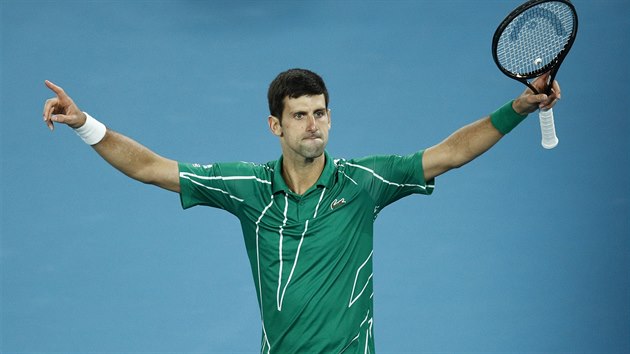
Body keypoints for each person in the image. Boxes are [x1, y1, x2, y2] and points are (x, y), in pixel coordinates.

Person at [42, 68, 560, 353]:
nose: (313, 124)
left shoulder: (364, 182)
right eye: (300, 116)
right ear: (276, 126)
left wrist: (515, 108)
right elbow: (151, 167)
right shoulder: (246, 187)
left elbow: (451, 153)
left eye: (320, 113)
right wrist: (85, 123)